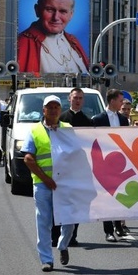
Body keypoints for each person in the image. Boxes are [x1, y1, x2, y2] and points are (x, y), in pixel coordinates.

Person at [22, 95, 75, 272]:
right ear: (43, 110)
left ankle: (62, 245)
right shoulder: (35, 130)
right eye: (49, 107)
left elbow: (79, 155)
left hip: (65, 184)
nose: (53, 110)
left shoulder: (68, 129)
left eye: (56, 107)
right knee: (44, 222)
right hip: (43, 184)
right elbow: (28, 159)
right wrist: (46, 179)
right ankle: (46, 259)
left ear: (60, 110)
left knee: (69, 219)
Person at [17, 0, 90, 74]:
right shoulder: (22, 42)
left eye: (63, 11)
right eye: (50, 10)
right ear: (37, 10)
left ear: (71, 15)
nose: (56, 18)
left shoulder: (73, 41)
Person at [53, 87, 91, 247]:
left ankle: (72, 236)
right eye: (75, 98)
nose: (78, 101)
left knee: (76, 204)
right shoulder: (59, 120)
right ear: (69, 99)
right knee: (60, 202)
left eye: (80, 98)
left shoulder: (89, 122)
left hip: (79, 169)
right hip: (62, 168)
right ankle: (55, 236)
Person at [92, 88, 130, 242]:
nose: (122, 104)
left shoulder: (123, 120)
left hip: (121, 162)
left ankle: (119, 225)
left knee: (120, 194)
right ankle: (108, 230)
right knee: (107, 197)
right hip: (105, 163)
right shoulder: (98, 119)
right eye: (120, 101)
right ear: (112, 101)